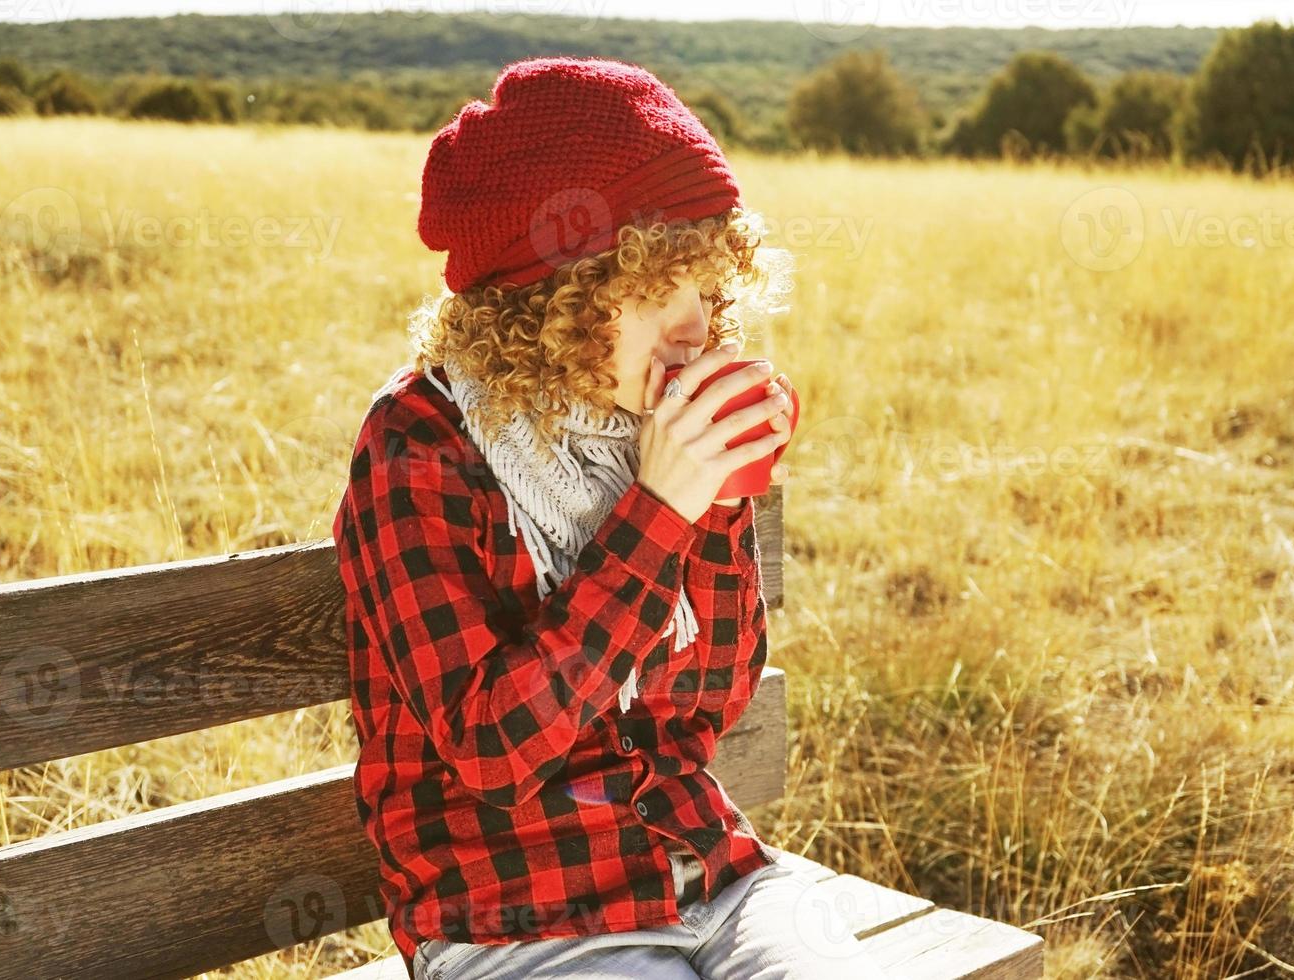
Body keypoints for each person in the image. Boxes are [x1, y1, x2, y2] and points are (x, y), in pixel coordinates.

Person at [333, 55, 882, 979]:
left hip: (715, 876)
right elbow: (492, 750)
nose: (695, 329)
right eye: (651, 286)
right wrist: (658, 514)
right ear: (552, 296)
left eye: (707, 290)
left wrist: (714, 507)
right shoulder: (418, 444)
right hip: (518, 916)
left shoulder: (644, 422)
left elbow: (707, 706)